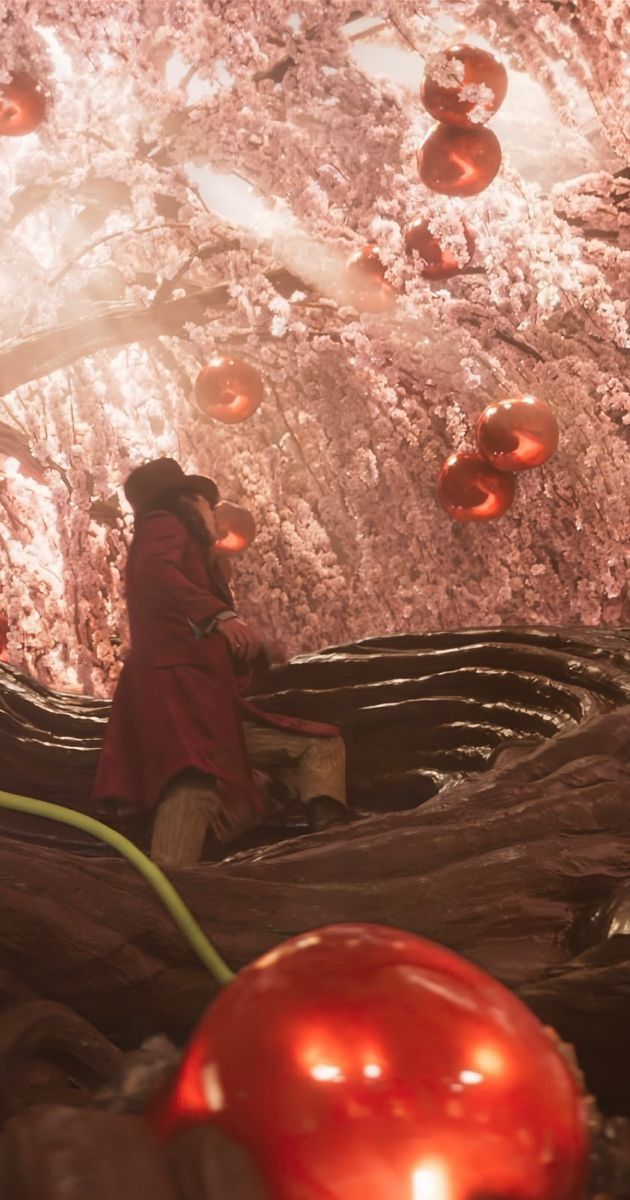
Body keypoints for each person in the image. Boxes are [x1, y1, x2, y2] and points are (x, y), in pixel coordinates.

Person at [92, 457, 349, 868]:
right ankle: (171, 890)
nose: (212, 511)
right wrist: (219, 614)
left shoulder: (193, 550)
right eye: (204, 502)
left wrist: (257, 651)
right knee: (193, 780)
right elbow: (159, 577)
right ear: (188, 501)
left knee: (315, 745)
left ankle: (331, 836)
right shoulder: (165, 525)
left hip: (207, 701)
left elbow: (188, 622)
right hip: (176, 693)